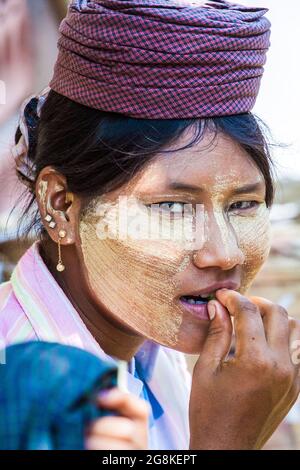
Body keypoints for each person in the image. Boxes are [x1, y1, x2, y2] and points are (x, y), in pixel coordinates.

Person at [1, 0, 300, 450]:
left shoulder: (147, 343)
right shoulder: (31, 407)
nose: (225, 254)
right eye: (173, 207)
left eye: (243, 204)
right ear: (60, 206)